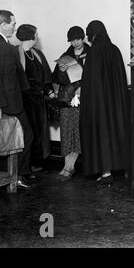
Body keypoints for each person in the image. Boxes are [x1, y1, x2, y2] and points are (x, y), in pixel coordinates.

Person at [80, 20, 130, 184]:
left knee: (102, 133)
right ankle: (120, 168)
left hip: (99, 103)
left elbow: (90, 83)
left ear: (92, 35)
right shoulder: (115, 50)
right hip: (116, 104)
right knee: (116, 131)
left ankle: (106, 172)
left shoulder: (94, 52)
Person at [0, 10, 33, 189]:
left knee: (10, 141)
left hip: (10, 103)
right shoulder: (3, 47)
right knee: (25, 136)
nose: (15, 26)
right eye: (12, 24)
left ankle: (15, 176)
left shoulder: (6, 45)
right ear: (3, 25)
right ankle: (17, 176)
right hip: (10, 105)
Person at [52, 26, 90, 181]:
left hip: (84, 99)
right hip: (68, 101)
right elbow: (56, 79)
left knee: (78, 133)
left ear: (83, 38)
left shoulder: (91, 53)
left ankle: (69, 167)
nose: (75, 43)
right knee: (67, 132)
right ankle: (66, 166)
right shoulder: (66, 55)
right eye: (72, 40)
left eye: (78, 39)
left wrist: (83, 88)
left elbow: (94, 76)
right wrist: (62, 70)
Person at [16, 24, 55, 174]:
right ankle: (26, 166)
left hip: (39, 99)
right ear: (30, 36)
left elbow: (45, 75)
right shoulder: (16, 53)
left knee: (40, 132)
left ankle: (35, 163)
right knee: (28, 133)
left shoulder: (37, 53)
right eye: (36, 34)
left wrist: (49, 90)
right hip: (25, 100)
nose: (37, 37)